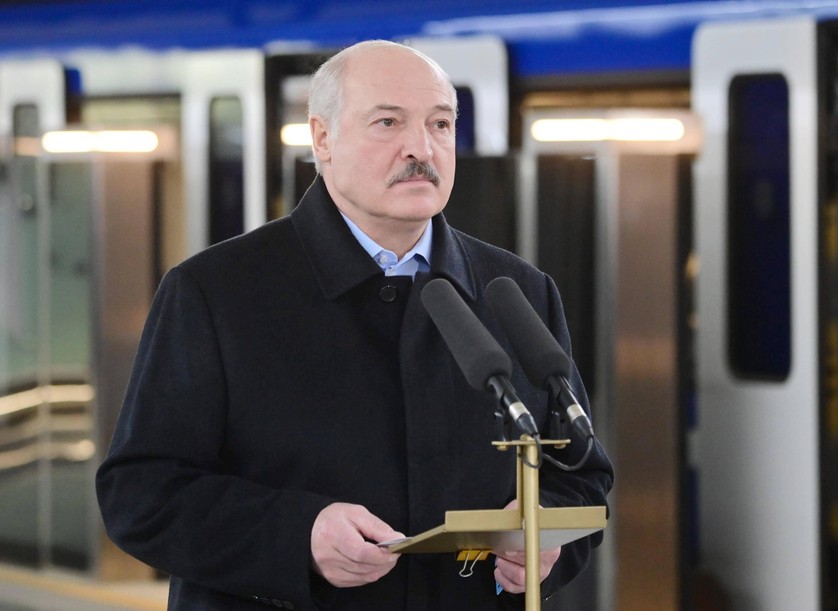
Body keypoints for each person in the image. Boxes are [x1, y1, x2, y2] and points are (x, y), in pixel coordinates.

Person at [96, 39, 613, 610]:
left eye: (441, 124)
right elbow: (140, 495)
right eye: (388, 122)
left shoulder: (519, 292)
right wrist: (298, 536)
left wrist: (548, 545)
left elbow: (582, 476)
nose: (421, 148)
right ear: (323, 139)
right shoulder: (216, 293)